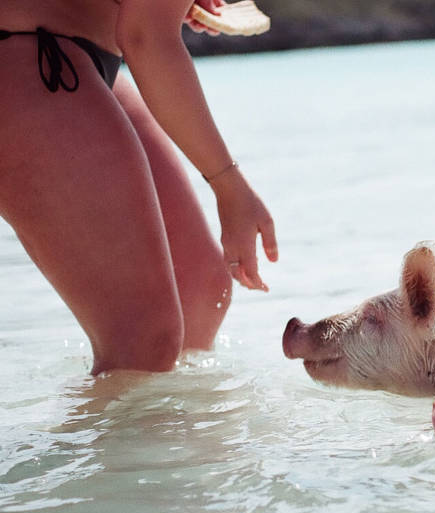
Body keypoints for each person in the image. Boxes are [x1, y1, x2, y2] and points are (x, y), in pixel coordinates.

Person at [0, 0, 277, 375]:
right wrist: (230, 186)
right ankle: (96, 434)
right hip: (26, 51)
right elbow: (146, 37)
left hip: (74, 51)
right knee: (142, 341)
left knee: (198, 289)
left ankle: (173, 434)